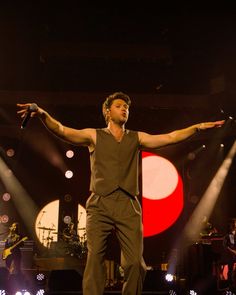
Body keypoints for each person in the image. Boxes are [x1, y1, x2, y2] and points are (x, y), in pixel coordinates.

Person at [17, 92, 224, 295]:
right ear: (107, 112)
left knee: (135, 264)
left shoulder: (136, 137)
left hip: (128, 205)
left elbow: (170, 137)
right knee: (94, 260)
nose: (124, 109)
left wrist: (196, 128)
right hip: (99, 204)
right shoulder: (94, 135)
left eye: (126, 107)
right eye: (119, 106)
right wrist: (42, 114)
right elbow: (62, 130)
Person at [223, 218, 236, 286]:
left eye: (235, 223)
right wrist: (233, 251)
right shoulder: (228, 235)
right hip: (231, 255)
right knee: (230, 269)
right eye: (233, 223)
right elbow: (226, 246)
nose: (234, 224)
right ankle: (230, 284)